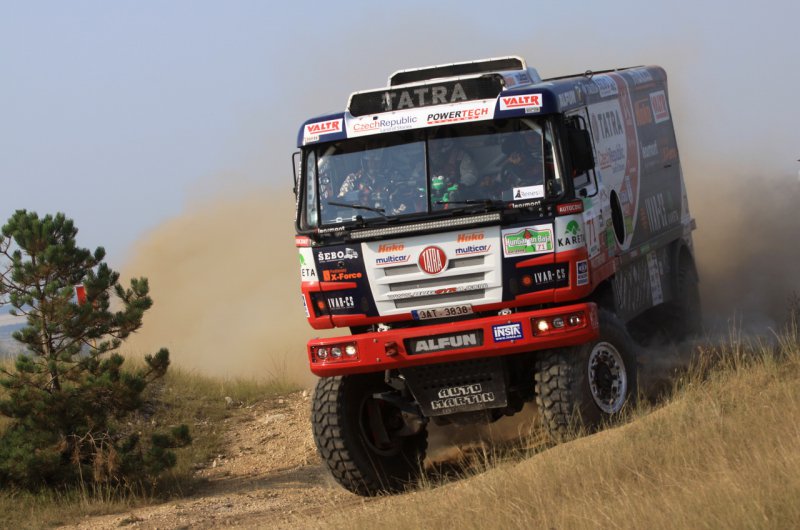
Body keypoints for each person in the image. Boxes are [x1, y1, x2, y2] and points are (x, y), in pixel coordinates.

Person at [428, 133, 478, 204]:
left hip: (455, 198)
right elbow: (416, 178)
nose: (431, 145)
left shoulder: (461, 156)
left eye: (434, 141)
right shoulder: (423, 160)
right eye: (429, 142)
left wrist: (459, 186)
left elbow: (470, 175)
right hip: (430, 199)